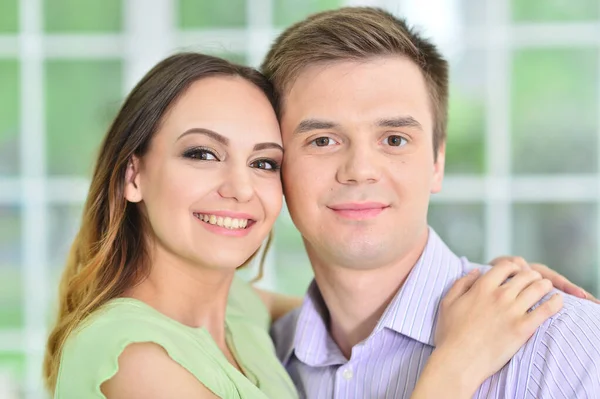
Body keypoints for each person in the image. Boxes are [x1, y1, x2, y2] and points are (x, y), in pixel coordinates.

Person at [43, 52, 572, 399]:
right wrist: (459, 363)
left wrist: (486, 285)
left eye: (264, 161)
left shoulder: (239, 313)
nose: (240, 188)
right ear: (132, 174)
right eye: (202, 153)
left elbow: (360, 309)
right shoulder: (132, 359)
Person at [262, 7, 600, 398]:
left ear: (437, 162)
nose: (360, 170)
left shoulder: (569, 345)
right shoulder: (256, 363)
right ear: (276, 165)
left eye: (394, 139)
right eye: (322, 140)